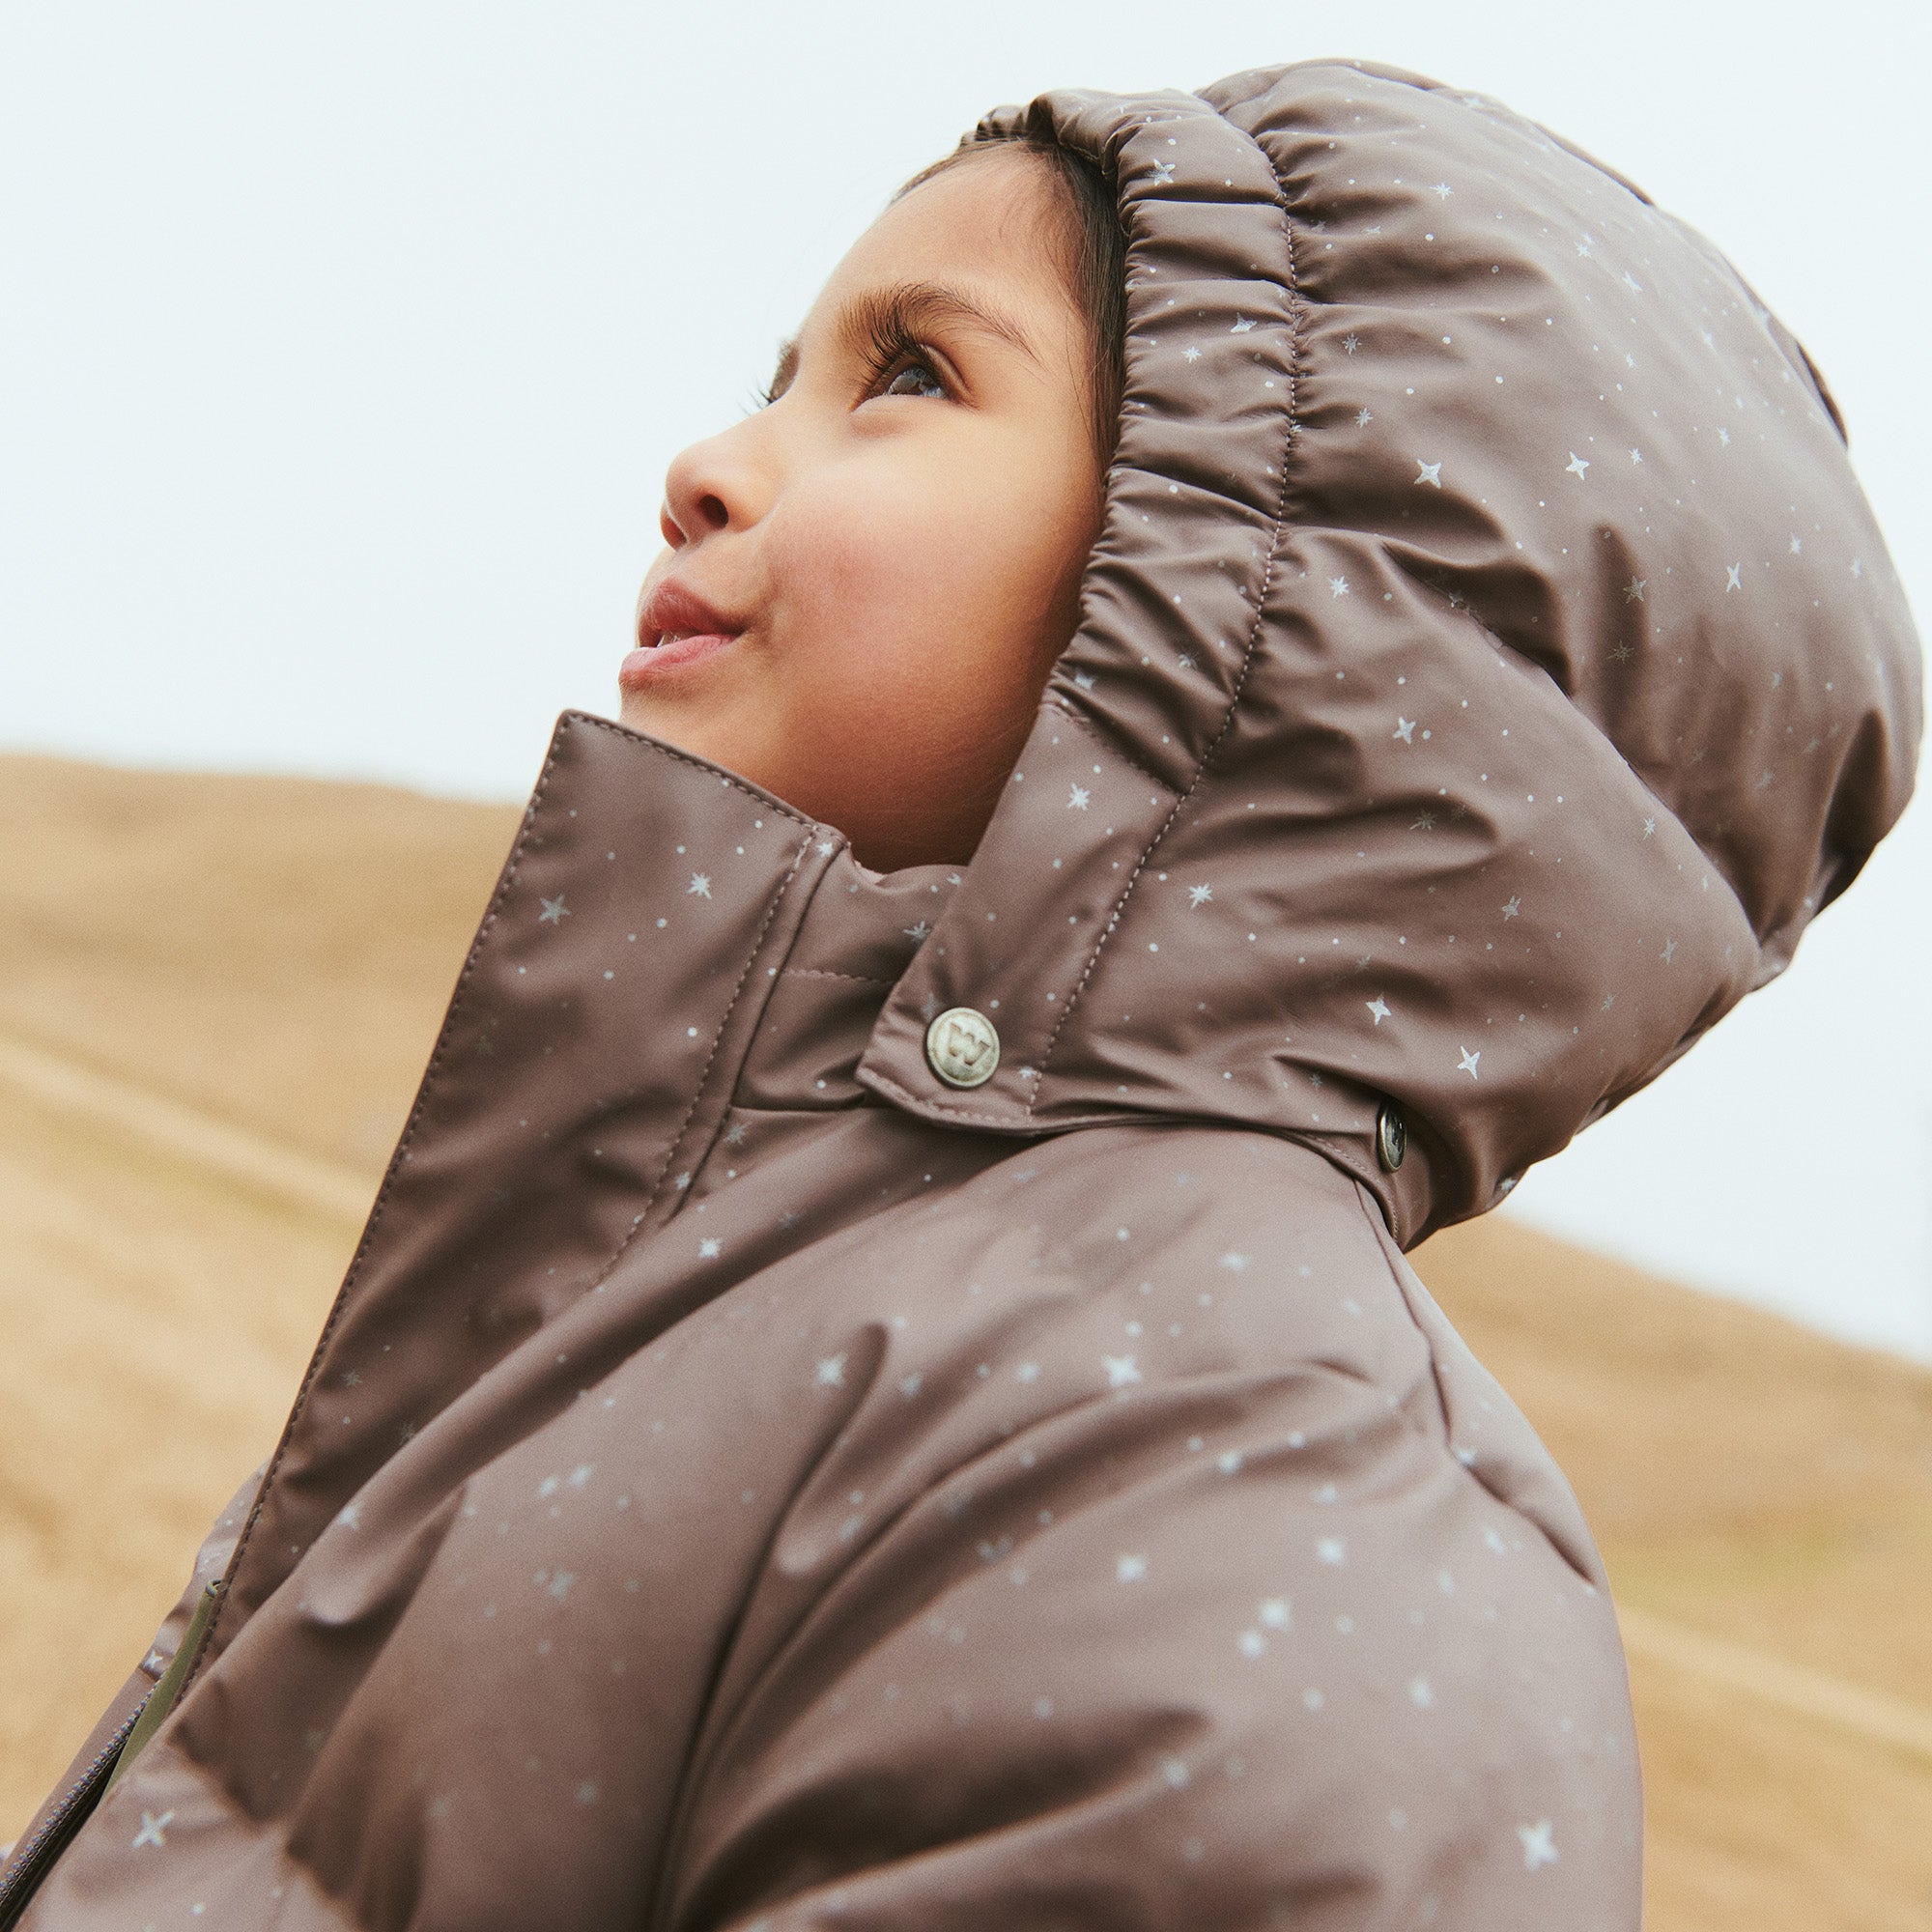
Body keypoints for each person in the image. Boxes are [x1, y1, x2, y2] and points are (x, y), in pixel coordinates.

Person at [2, 55, 1918, 1932]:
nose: (710, 461)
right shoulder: (707, 1285)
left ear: (1263, 600)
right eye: (775, 378)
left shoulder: (1213, 1450)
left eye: (907, 374)